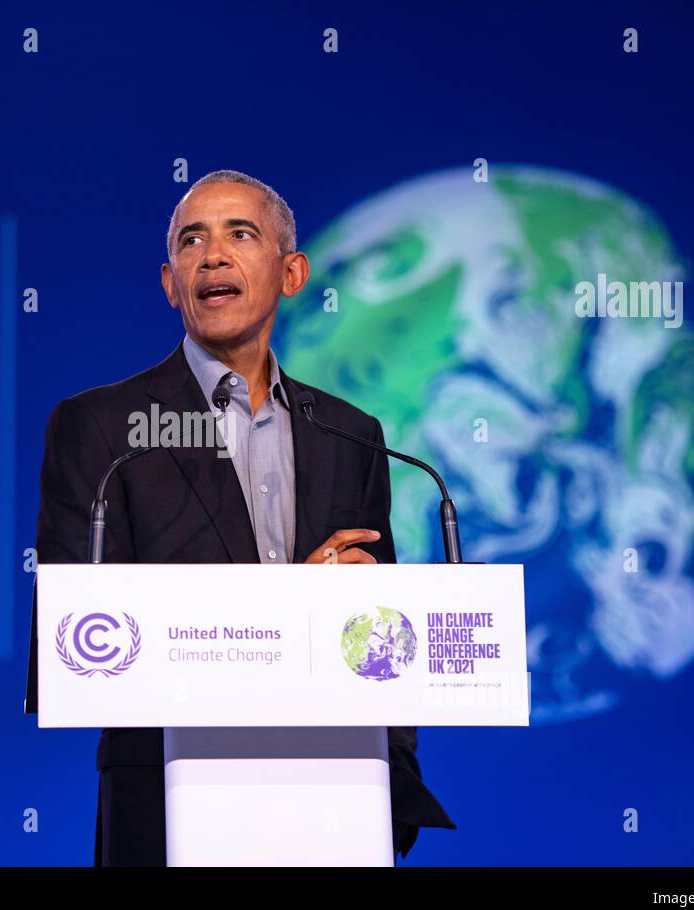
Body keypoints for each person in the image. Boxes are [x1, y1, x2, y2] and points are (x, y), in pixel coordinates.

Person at [26, 169, 455, 865]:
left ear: (291, 273)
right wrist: (291, 608)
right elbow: (77, 642)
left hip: (337, 798)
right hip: (170, 805)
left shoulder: (352, 434)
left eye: (240, 235)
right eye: (191, 241)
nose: (213, 255)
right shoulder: (103, 430)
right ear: (170, 283)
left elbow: (383, 635)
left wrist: (393, 771)